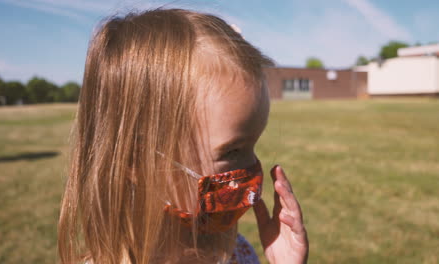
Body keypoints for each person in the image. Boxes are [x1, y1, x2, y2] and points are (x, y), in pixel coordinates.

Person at [58, 8, 308, 264]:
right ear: (136, 161)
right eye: (232, 151)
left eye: (253, 145)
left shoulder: (236, 254)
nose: (253, 171)